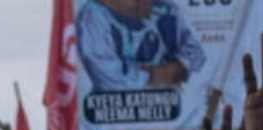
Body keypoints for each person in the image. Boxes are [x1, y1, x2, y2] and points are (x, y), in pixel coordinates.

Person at [76, 0, 205, 92]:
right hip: (117, 117)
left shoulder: (165, 8)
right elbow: (107, 74)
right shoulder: (93, 16)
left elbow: (195, 51)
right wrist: (154, 76)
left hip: (168, 109)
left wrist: (181, 66)